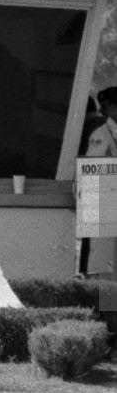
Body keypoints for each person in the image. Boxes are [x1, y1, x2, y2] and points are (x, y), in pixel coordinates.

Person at [79, 86, 117, 276]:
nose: (103, 111)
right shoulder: (100, 134)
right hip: (103, 205)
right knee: (101, 265)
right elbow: (93, 170)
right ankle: (104, 306)